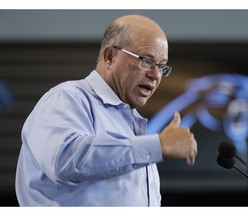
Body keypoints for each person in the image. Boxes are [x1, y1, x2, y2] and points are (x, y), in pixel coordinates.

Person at [15, 14, 197, 206]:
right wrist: (158, 145)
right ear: (110, 57)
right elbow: (64, 160)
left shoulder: (132, 125)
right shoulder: (67, 98)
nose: (155, 75)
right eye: (146, 61)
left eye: (161, 66)